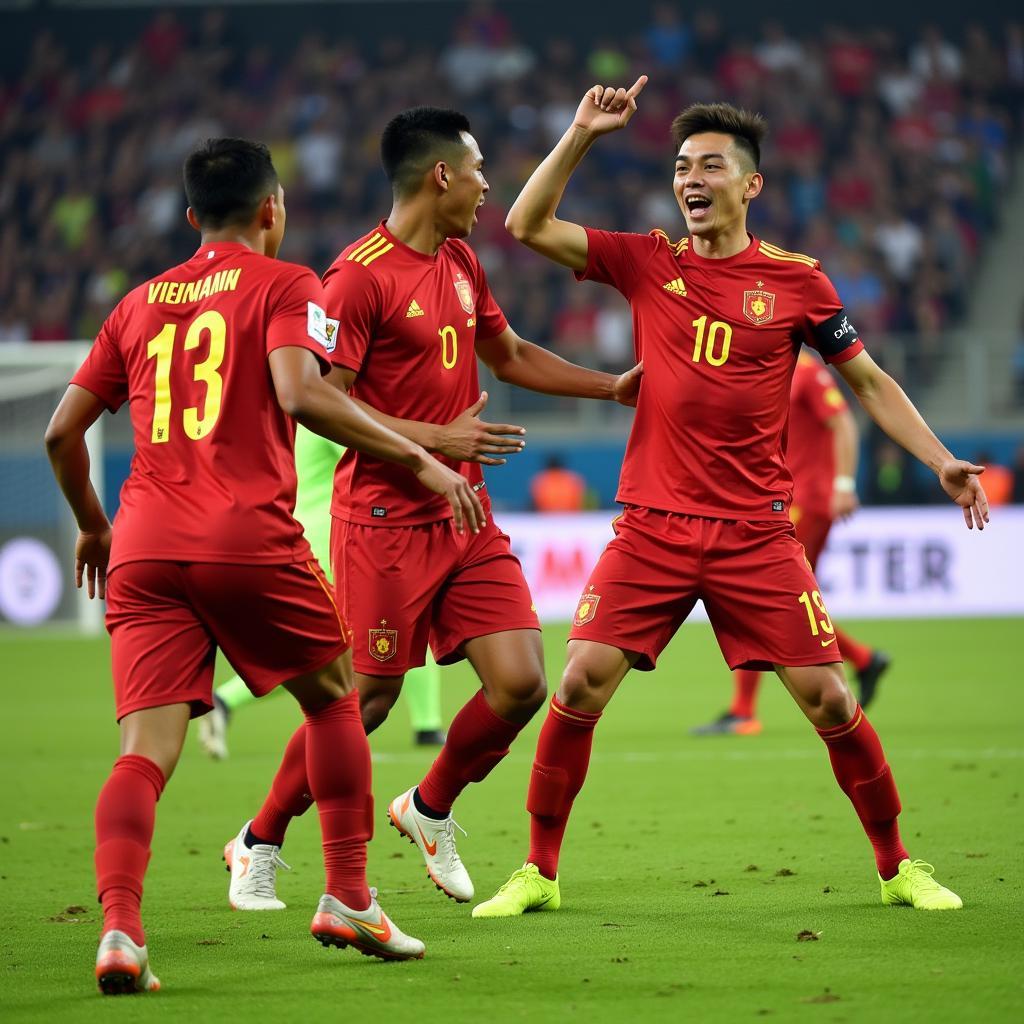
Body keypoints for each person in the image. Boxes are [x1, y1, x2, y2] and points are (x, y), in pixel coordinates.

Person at [473, 81, 988, 920]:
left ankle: (899, 866)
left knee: (830, 698)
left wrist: (939, 459)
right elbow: (526, 225)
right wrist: (579, 134)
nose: (691, 179)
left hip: (755, 532)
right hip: (653, 527)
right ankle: (537, 870)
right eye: (682, 166)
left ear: (751, 185)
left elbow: (868, 379)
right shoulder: (647, 260)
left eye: (711, 165)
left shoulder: (796, 281)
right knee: (578, 683)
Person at [45, 137, 485, 990]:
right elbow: (301, 391)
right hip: (245, 536)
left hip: (141, 547)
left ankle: (122, 935)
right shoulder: (287, 283)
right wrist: (424, 457)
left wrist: (93, 527)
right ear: (272, 210)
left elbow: (63, 432)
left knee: (142, 756)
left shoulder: (136, 303)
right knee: (338, 699)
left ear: (189, 220)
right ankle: (350, 896)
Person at [226, 106, 642, 913]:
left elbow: (510, 354)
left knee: (522, 683)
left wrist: (609, 386)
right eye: (480, 170)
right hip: (383, 522)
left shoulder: (458, 259)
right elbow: (319, 402)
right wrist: (435, 438)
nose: (490, 186)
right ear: (440, 176)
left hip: (466, 515)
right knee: (367, 701)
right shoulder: (356, 276)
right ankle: (260, 838)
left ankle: (428, 806)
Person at [197, 424, 446, 761]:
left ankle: (427, 725)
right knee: (385, 629)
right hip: (336, 535)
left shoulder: (287, 413)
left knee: (365, 635)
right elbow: (367, 455)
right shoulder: (327, 415)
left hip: (297, 531)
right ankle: (234, 701)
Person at [692, 353, 889, 735]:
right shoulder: (766, 367)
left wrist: (844, 484)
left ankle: (744, 710)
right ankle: (863, 659)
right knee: (780, 601)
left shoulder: (807, 372)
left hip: (807, 501)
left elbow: (844, 422)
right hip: (779, 500)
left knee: (762, 597)